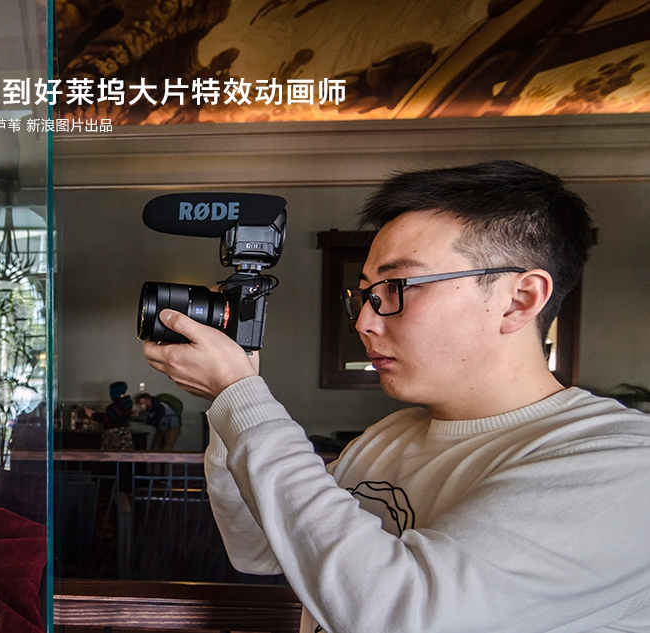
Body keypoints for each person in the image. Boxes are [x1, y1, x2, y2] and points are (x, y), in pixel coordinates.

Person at [143, 160, 650, 633]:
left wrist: (241, 397)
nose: (364, 321)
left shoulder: (619, 460)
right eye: (365, 293)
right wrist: (231, 403)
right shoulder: (389, 437)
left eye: (398, 287)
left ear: (519, 299)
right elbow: (259, 548)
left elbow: (399, 614)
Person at [98, 381, 135, 451]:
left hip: (114, 434)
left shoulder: (116, 405)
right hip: (125, 433)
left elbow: (108, 418)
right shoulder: (127, 402)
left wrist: (93, 415)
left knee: (111, 455)